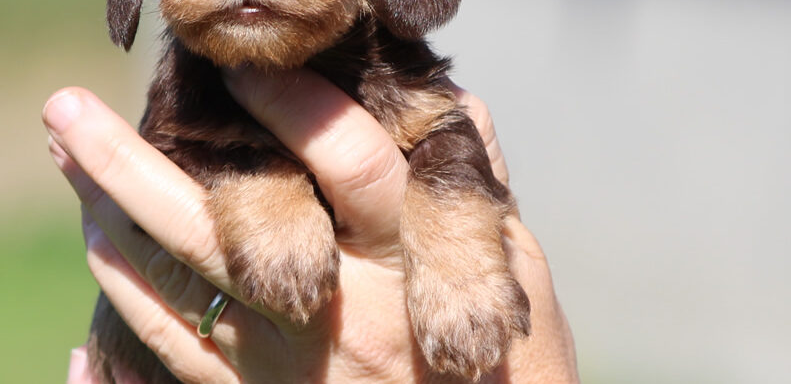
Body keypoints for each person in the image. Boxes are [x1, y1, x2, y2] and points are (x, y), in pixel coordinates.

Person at [43, 67, 579, 383]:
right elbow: (177, 162)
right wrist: (263, 187)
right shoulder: (191, 104)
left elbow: (446, 138)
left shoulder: (411, 92)